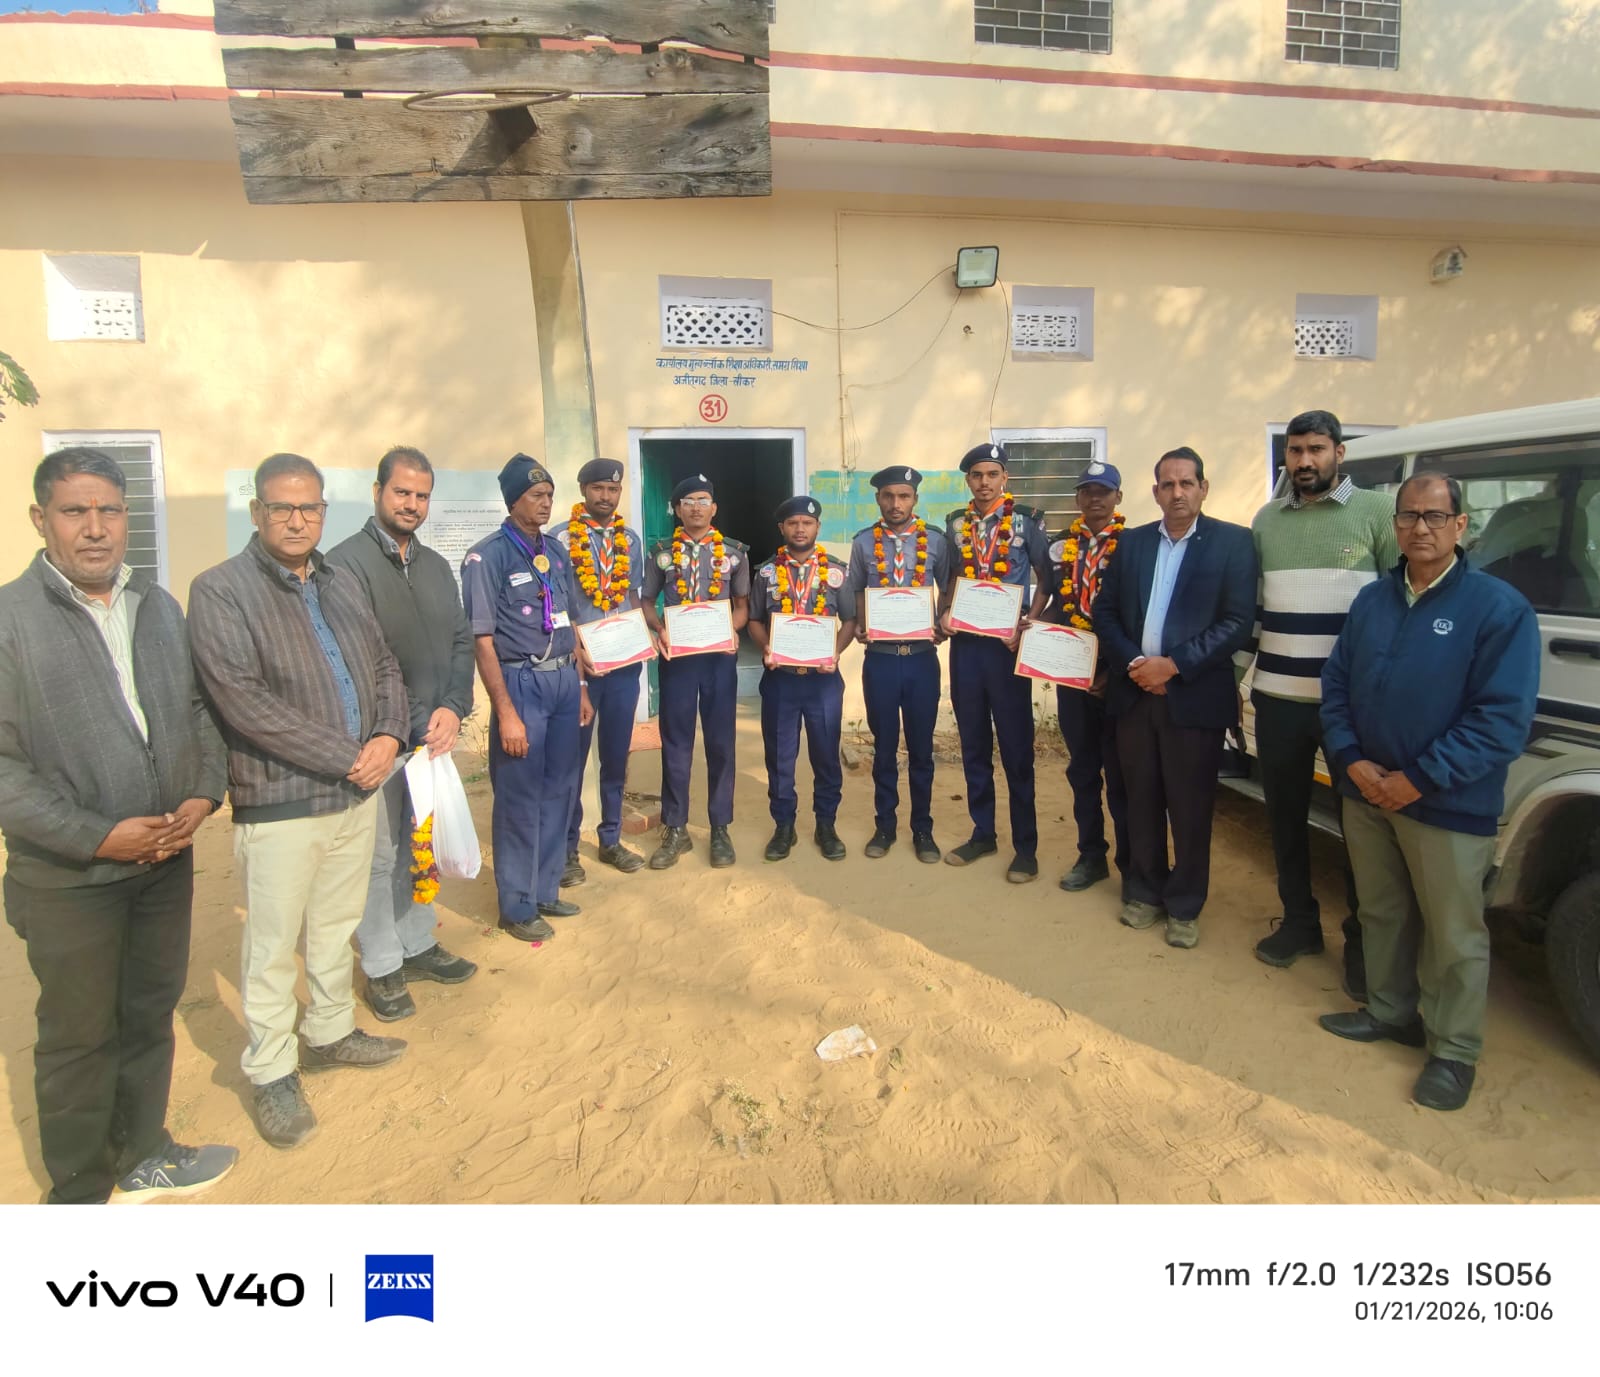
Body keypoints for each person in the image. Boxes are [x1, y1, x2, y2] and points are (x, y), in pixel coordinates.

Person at [0, 448, 236, 1203]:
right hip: (69, 878)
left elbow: (197, 713)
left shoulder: (156, 606)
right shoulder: (10, 620)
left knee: (148, 1014)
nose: (95, 528)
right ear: (41, 519)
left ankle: (144, 1153)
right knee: (78, 1037)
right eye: (75, 511)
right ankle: (77, 1195)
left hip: (164, 862)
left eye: (109, 510)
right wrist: (98, 836)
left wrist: (201, 791)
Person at [189, 453, 410, 1151]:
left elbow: (383, 664)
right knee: (272, 944)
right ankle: (272, 1070)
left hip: (355, 791)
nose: (296, 519)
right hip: (282, 798)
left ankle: (330, 1031)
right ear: (256, 511)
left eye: (309, 507)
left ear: (323, 511)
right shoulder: (220, 590)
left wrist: (387, 733)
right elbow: (243, 701)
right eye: (281, 507)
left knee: (335, 925)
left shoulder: (340, 581)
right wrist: (347, 754)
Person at [1318, 472, 1539, 1112]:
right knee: (1383, 911)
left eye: (1435, 517)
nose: (1420, 528)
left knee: (1452, 932)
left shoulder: (1499, 609)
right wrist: (1352, 760)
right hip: (1366, 791)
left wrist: (1417, 778)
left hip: (1446, 802)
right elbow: (1336, 687)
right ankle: (1390, 1012)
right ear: (1394, 525)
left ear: (1461, 525)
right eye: (1409, 516)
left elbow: (1501, 721)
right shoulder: (1373, 600)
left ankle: (1453, 1051)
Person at [1245, 411, 1398, 998]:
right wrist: (1240, 681)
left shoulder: (1378, 513)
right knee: (1284, 818)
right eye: (1294, 450)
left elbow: (1400, 604)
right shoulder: (1267, 520)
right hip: (1278, 699)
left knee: (1360, 829)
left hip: (1349, 709)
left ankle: (1363, 943)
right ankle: (1300, 924)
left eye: (1316, 449)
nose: (1304, 461)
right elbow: (1256, 608)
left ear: (1340, 452)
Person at [326, 445, 478, 1024]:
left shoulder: (436, 566)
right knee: (380, 855)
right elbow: (366, 658)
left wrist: (454, 707)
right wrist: (420, 720)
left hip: (433, 738)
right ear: (377, 492)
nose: (412, 504)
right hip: (379, 739)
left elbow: (461, 639)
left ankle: (417, 943)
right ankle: (382, 962)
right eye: (402, 492)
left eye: (421, 496)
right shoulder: (345, 565)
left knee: (423, 842)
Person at [1092, 447, 1258, 949]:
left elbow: (1237, 621)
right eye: (1168, 484)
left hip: (1193, 697)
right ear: (1155, 492)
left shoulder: (1234, 543)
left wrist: (1175, 664)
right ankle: (1144, 891)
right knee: (1139, 797)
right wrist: (1135, 664)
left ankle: (1185, 904)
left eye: (1187, 483)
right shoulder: (1133, 543)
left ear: (1203, 488)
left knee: (1190, 804)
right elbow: (1106, 611)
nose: (1178, 492)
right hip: (1134, 694)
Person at [461, 454, 593, 940]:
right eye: (536, 495)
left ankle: (545, 889)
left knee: (560, 788)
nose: (545, 503)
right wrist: (507, 713)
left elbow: (568, 622)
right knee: (519, 796)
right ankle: (516, 906)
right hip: (520, 685)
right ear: (513, 500)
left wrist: (581, 685)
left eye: (549, 495)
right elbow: (482, 641)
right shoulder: (487, 557)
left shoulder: (555, 552)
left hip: (563, 682)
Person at [938, 443, 1052, 882]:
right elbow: (952, 577)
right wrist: (944, 613)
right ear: (967, 480)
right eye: (976, 475)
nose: (984, 482)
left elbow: (1047, 580)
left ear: (1005, 478)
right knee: (974, 744)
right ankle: (982, 833)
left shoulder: (1026, 520)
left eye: (991, 474)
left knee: (1016, 749)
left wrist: (1029, 622)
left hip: (1006, 649)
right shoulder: (955, 524)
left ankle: (1026, 847)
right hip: (967, 647)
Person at [1028, 461, 1130, 895]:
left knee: (1122, 775)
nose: (1094, 498)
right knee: (1083, 770)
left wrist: (1114, 669)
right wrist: (1037, 632)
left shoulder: (1135, 545)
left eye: (1103, 491)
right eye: (1087, 491)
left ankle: (1131, 864)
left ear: (1118, 497)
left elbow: (1139, 613)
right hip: (1072, 675)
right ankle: (1091, 855)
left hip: (1119, 678)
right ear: (1077, 498)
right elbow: (1054, 600)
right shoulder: (1058, 547)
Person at [640, 474, 751, 870]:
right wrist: (660, 628)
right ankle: (676, 828)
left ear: (714, 508)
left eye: (703, 500)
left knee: (721, 744)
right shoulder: (661, 553)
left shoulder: (735, 553)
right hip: (678, 661)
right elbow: (646, 601)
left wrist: (733, 629)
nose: (696, 507)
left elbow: (742, 606)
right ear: (677, 509)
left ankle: (720, 827)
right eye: (688, 501)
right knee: (676, 744)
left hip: (719, 661)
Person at [845, 465, 952, 862]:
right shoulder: (862, 543)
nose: (896, 503)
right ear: (878, 499)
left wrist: (943, 619)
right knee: (885, 748)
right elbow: (858, 589)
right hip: (881, 661)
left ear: (915, 500)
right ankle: (885, 826)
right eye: (888, 496)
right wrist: (862, 623)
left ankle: (923, 829)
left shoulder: (936, 541)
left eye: (904, 496)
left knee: (922, 750)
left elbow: (948, 586)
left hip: (922, 660)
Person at [551, 457, 648, 880]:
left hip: (623, 665)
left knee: (615, 755)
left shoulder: (630, 540)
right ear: (583, 490)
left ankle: (610, 839)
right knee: (571, 760)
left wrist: (644, 634)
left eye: (612, 489)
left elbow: (634, 595)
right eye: (598, 489)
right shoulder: (559, 539)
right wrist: (576, 647)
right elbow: (556, 605)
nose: (605, 497)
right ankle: (567, 849)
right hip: (579, 668)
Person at [748, 496, 858, 861]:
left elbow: (850, 621)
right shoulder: (766, 573)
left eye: (807, 523)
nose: (800, 529)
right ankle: (784, 826)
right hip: (781, 681)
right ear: (782, 528)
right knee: (780, 758)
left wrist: (835, 652)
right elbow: (754, 620)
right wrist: (766, 647)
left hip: (823, 683)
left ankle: (826, 825)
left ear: (817, 527)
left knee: (826, 756)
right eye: (793, 523)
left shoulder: (837, 572)